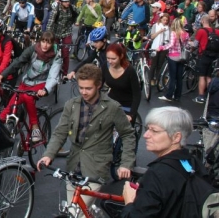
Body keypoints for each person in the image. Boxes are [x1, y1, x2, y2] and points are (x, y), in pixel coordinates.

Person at [38, 64, 136, 217]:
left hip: (96, 168)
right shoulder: (71, 105)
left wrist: (126, 164)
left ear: (98, 85)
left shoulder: (112, 107)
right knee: (78, 210)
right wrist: (48, 154)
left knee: (75, 212)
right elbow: (60, 132)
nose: (83, 92)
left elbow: (128, 135)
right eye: (81, 87)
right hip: (73, 167)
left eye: (88, 88)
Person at [120, 107, 200, 217]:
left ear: (176, 137)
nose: (146, 135)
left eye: (154, 131)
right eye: (147, 129)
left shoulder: (158, 174)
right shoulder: (192, 162)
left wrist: (129, 202)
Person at [0, 31, 61, 143]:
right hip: (27, 81)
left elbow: (53, 75)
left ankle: (35, 128)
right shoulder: (33, 49)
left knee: (27, 97)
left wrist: (46, 90)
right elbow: (18, 62)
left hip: (42, 83)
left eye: (48, 43)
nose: (45, 45)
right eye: (43, 41)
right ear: (40, 41)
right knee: (8, 108)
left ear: (52, 44)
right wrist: (1, 76)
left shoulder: (56, 55)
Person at [103, 43, 141, 124]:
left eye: (113, 59)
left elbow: (137, 94)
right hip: (111, 102)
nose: (110, 61)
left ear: (121, 56)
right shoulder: (105, 66)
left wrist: (131, 114)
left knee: (125, 133)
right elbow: (98, 85)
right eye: (108, 58)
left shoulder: (130, 70)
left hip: (127, 106)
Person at [158, 18, 191, 102]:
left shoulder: (173, 33)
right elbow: (187, 45)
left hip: (173, 56)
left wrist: (161, 47)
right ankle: (177, 96)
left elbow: (171, 44)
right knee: (179, 78)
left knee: (173, 77)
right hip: (182, 57)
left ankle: (169, 95)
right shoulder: (186, 34)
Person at [47, 0, 79, 75]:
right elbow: (50, 23)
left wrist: (76, 21)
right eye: (65, 1)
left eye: (69, 1)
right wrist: (48, 35)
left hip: (67, 32)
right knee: (52, 51)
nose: (68, 3)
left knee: (65, 53)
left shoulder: (72, 8)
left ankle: (65, 73)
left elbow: (79, 14)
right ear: (60, 2)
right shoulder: (56, 9)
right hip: (56, 32)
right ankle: (49, 68)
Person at [192, 15, 219, 104]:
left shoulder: (201, 31)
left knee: (202, 76)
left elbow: (195, 44)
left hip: (203, 55)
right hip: (214, 56)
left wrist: (190, 45)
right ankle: (210, 96)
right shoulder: (216, 31)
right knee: (209, 76)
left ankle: (201, 96)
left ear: (203, 21)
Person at [148, 12, 171, 85]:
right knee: (153, 64)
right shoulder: (156, 26)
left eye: (166, 20)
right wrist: (160, 31)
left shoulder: (169, 28)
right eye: (164, 20)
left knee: (160, 64)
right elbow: (152, 36)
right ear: (161, 19)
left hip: (164, 47)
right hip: (156, 46)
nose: (165, 22)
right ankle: (151, 79)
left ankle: (158, 79)